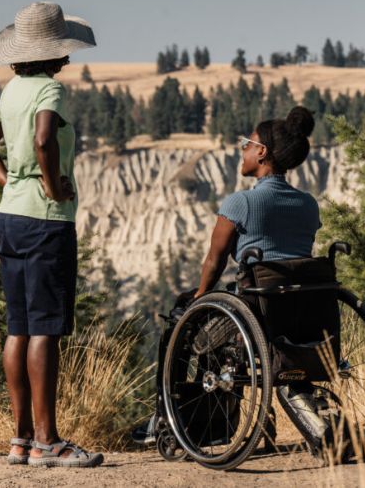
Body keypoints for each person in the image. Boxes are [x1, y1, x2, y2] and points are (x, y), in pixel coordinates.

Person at [133, 106, 328, 446]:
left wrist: (199, 297)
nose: (242, 149)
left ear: (262, 153)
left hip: (257, 312)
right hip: (305, 314)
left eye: (246, 143)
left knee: (184, 316)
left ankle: (169, 418)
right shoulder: (308, 203)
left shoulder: (241, 203)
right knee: (215, 316)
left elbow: (214, 259)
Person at [0, 1, 103, 468]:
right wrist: (50, 185)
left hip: (11, 217)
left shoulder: (11, 92)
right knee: (46, 327)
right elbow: (45, 139)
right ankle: (49, 442)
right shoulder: (50, 91)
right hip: (47, 219)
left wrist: (11, 182)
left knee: (19, 326)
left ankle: (20, 440)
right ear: (55, 51)